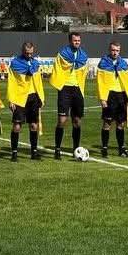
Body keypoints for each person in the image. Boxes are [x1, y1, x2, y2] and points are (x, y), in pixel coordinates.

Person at [49, 32, 89, 160]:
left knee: (77, 121)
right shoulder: (62, 54)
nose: (77, 42)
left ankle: (76, 149)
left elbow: (85, 71)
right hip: (65, 88)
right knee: (62, 120)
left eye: (78, 40)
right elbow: (57, 69)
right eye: (75, 40)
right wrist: (59, 84)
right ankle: (57, 149)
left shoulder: (83, 56)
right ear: (70, 41)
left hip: (77, 89)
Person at [6, 42, 44, 161]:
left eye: (31, 53)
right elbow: (11, 82)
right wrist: (11, 99)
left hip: (33, 97)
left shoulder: (35, 64)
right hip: (19, 98)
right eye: (27, 53)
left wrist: (41, 97)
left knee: (33, 125)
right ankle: (14, 153)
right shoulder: (15, 63)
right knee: (17, 126)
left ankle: (34, 152)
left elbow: (39, 82)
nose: (29, 55)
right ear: (22, 51)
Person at [97, 40, 128, 158]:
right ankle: (104, 148)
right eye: (113, 50)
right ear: (109, 50)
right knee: (107, 122)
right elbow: (100, 82)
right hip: (109, 95)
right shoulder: (103, 63)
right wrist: (103, 98)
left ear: (119, 51)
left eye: (117, 50)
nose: (115, 52)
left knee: (120, 123)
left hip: (122, 95)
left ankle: (121, 148)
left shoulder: (123, 63)